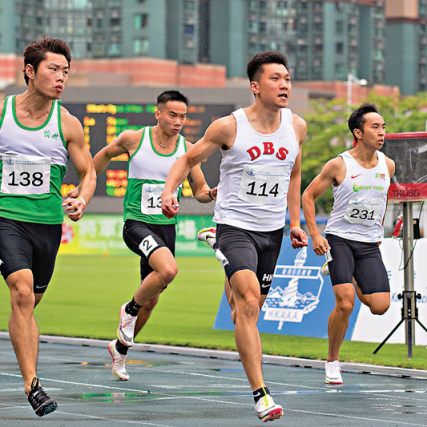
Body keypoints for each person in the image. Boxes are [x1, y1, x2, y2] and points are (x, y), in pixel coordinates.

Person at [0, 37, 96, 417]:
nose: (61, 77)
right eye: (53, 69)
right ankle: (33, 384)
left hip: (47, 225)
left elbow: (88, 173)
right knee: (22, 294)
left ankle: (25, 353)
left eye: (66, 71)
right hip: (6, 217)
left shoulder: (68, 123)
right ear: (30, 71)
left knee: (29, 304)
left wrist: (81, 199)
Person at [161, 51, 307, 423]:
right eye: (275, 78)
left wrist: (294, 222)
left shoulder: (298, 127)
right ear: (255, 86)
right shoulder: (229, 126)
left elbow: (293, 174)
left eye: (287, 78)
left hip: (272, 232)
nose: (284, 84)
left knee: (248, 302)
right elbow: (187, 160)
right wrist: (169, 191)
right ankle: (261, 394)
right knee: (247, 304)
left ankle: (224, 263)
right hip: (235, 226)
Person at [69, 90, 215, 381]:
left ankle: (120, 348)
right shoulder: (134, 139)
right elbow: (103, 155)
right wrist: (84, 185)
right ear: (158, 113)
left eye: (183, 116)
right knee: (169, 269)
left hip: (165, 227)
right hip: (136, 223)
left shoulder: (188, 149)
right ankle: (129, 309)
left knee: (153, 300)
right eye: (172, 115)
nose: (178, 121)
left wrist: (212, 193)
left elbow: (199, 191)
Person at [301, 103, 395, 385]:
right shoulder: (339, 164)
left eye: (383, 127)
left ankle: (346, 272)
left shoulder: (388, 165)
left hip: (368, 244)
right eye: (375, 127)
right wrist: (316, 235)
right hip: (340, 239)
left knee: (379, 306)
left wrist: (377, 229)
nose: (381, 133)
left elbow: (382, 199)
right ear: (358, 132)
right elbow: (308, 196)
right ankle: (332, 360)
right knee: (345, 304)